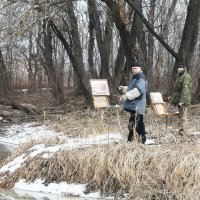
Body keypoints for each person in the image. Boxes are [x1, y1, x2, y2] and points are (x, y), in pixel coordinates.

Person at [119, 62, 148, 144]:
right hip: (135, 105)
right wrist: (124, 88)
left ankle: (132, 140)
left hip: (137, 105)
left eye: (136, 68)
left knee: (134, 124)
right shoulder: (136, 77)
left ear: (140, 69)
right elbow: (132, 88)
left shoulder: (141, 77)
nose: (134, 70)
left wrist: (125, 96)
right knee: (137, 123)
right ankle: (140, 140)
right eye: (133, 68)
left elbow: (139, 90)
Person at [171, 63, 192, 135]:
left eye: (181, 67)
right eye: (178, 67)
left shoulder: (185, 76)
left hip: (183, 99)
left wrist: (182, 100)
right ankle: (181, 130)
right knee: (180, 115)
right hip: (179, 99)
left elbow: (185, 89)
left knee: (183, 116)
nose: (179, 68)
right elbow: (177, 90)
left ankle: (183, 131)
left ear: (184, 68)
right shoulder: (179, 76)